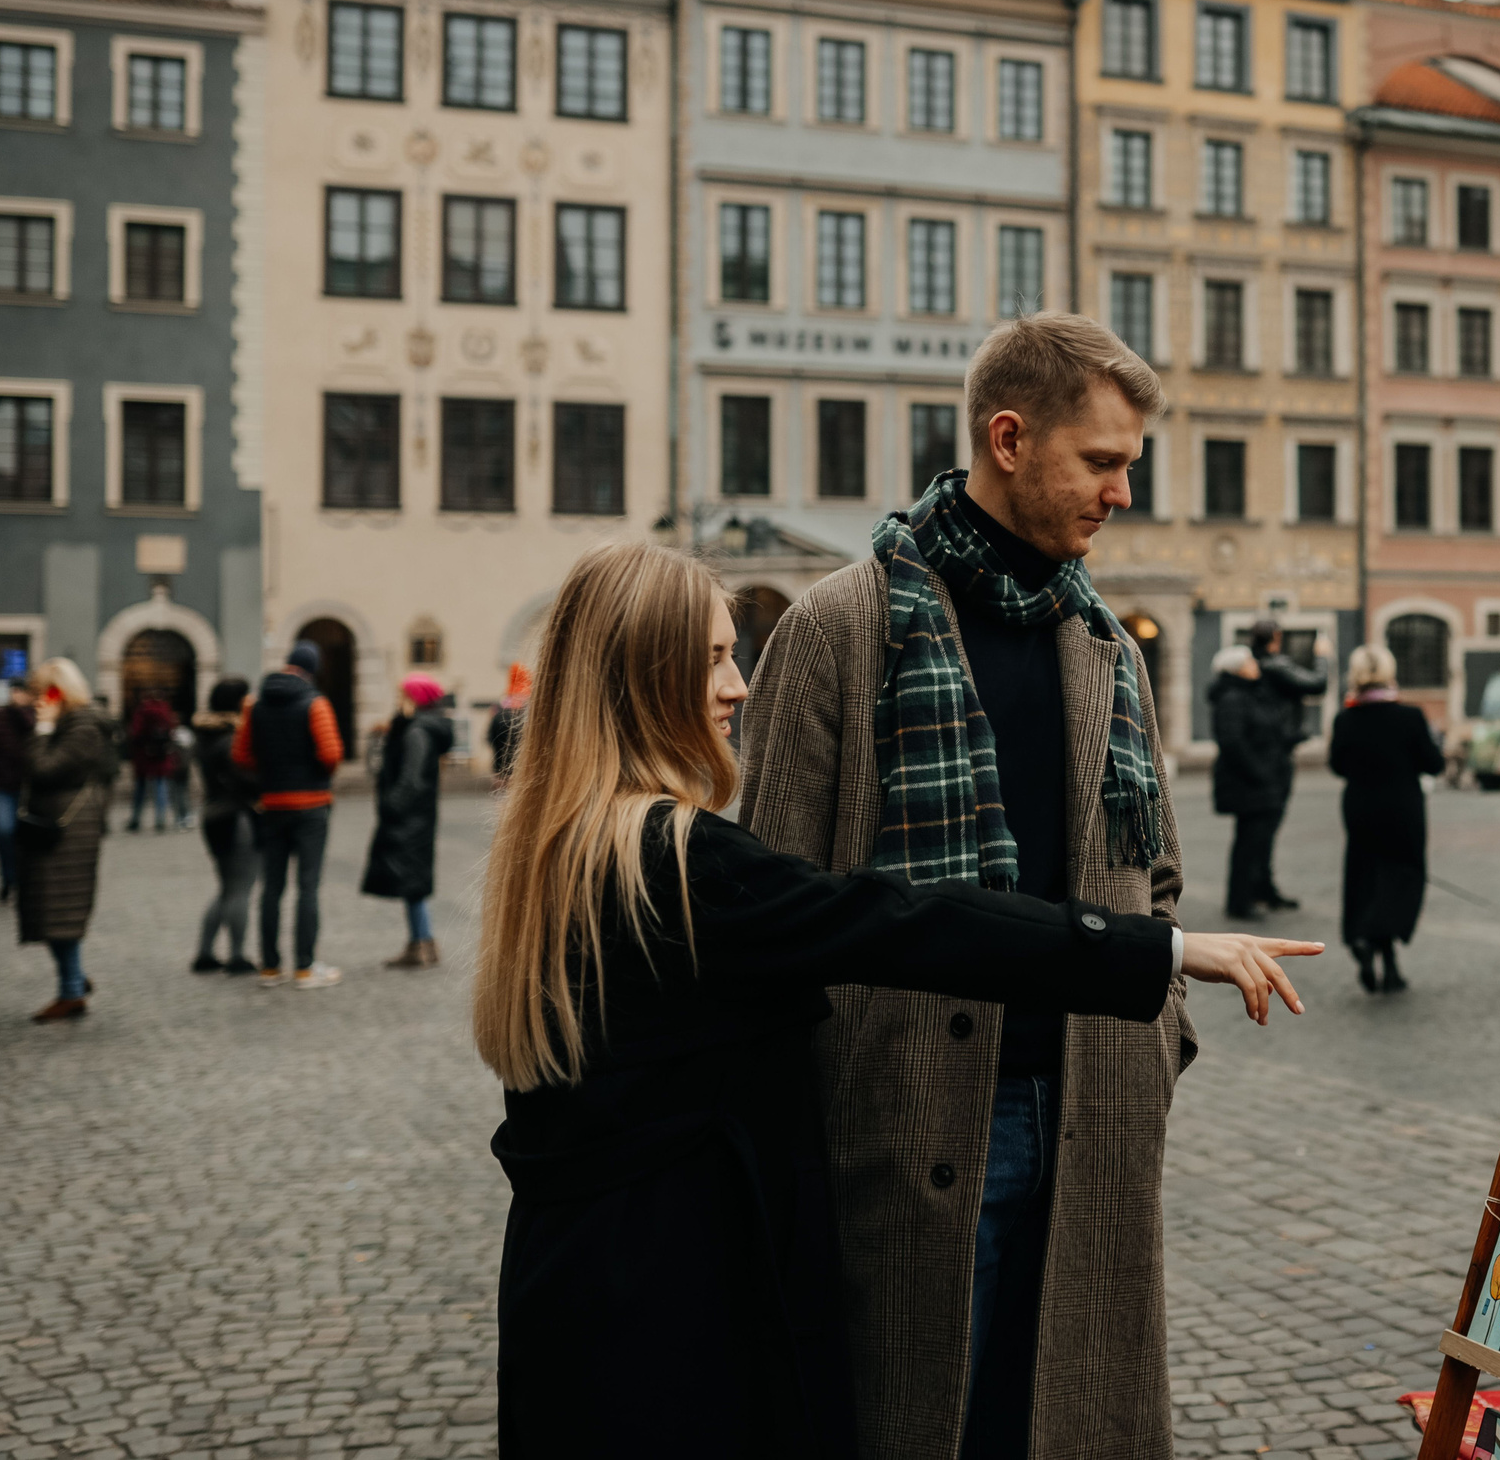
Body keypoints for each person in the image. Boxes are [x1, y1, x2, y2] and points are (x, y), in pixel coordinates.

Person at [482, 541, 1315, 1458]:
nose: (739, 685)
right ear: (644, 676)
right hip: (671, 1307)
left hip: (573, 1286)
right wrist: (1161, 948)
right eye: (715, 656)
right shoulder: (677, 862)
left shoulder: (555, 844)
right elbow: (902, 921)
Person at [742, 312, 1200, 1460]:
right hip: (910, 1117)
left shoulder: (1104, 640)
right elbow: (771, 899)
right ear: (1008, 438)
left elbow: (1158, 877)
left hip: (1092, 1108)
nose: (1120, 492)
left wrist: (1159, 1043)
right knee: (915, 1423)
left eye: (1128, 466)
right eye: (1101, 462)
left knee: (1064, 1421)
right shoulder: (840, 626)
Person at [1327, 645, 1444, 994]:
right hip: (1403, 808)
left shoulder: (1346, 718)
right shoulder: (1410, 716)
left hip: (1361, 807)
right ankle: (1389, 959)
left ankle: (1365, 940)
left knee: (1365, 875)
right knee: (1404, 876)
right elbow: (1433, 763)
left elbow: (1337, 765)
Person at [236, 643, 345, 990]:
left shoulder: (255, 705)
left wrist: (271, 770)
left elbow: (241, 754)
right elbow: (331, 754)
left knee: (271, 887)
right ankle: (304, 966)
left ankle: (269, 967)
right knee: (308, 886)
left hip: (272, 804)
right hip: (311, 804)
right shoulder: (316, 703)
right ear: (310, 670)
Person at [18, 658, 114, 1023]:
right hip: (57, 822)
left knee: (59, 907)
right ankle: (72, 979)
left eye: (39, 691)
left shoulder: (82, 725)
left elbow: (43, 769)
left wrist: (42, 727)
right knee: (52, 905)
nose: (34, 699)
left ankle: (71, 989)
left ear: (56, 690)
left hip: (68, 827)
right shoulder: (71, 722)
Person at [363, 673, 456, 968]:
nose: (398, 699)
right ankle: (422, 941)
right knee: (414, 881)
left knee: (412, 881)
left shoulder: (418, 732)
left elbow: (412, 779)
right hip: (419, 816)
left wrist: (392, 805)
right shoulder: (419, 727)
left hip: (410, 817)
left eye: (402, 694)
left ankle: (421, 944)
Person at [1239, 617, 1325, 910]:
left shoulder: (1255, 665)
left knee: (1262, 828)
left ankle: (1261, 887)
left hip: (1270, 751)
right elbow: (1317, 684)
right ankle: (1256, 890)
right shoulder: (1276, 666)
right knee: (1265, 826)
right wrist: (1324, 657)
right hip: (1277, 754)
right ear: (1274, 638)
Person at [1208, 645, 1292, 919]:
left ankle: (1258, 892)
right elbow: (1233, 742)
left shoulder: (1250, 693)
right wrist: (1261, 773)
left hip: (1261, 780)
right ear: (1237, 669)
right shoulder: (1233, 697)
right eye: (1249, 661)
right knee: (1248, 843)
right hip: (1249, 783)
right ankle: (1240, 902)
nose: (1255, 664)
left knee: (1259, 841)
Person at [190, 677, 259, 974]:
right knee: (240, 889)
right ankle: (237, 955)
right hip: (237, 817)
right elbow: (245, 780)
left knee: (226, 888)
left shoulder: (205, 735)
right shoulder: (232, 738)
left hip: (213, 815)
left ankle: (205, 953)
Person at [0, 691, 37, 903]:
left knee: (28, 836)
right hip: (2, 785)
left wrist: (21, 713)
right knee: (3, 831)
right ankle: (8, 879)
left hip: (32, 786)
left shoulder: (36, 716)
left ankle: (25, 881)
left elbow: (37, 736)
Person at [125, 694, 190, 833]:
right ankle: (160, 818)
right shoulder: (164, 710)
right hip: (161, 754)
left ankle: (136, 818)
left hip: (143, 754)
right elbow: (171, 730)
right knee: (161, 785)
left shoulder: (142, 711)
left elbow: (135, 733)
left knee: (140, 787)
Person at [486, 664, 529, 788]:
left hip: (501, 767)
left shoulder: (497, 713)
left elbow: (490, 738)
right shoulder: (527, 716)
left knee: (502, 801)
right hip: (523, 767)